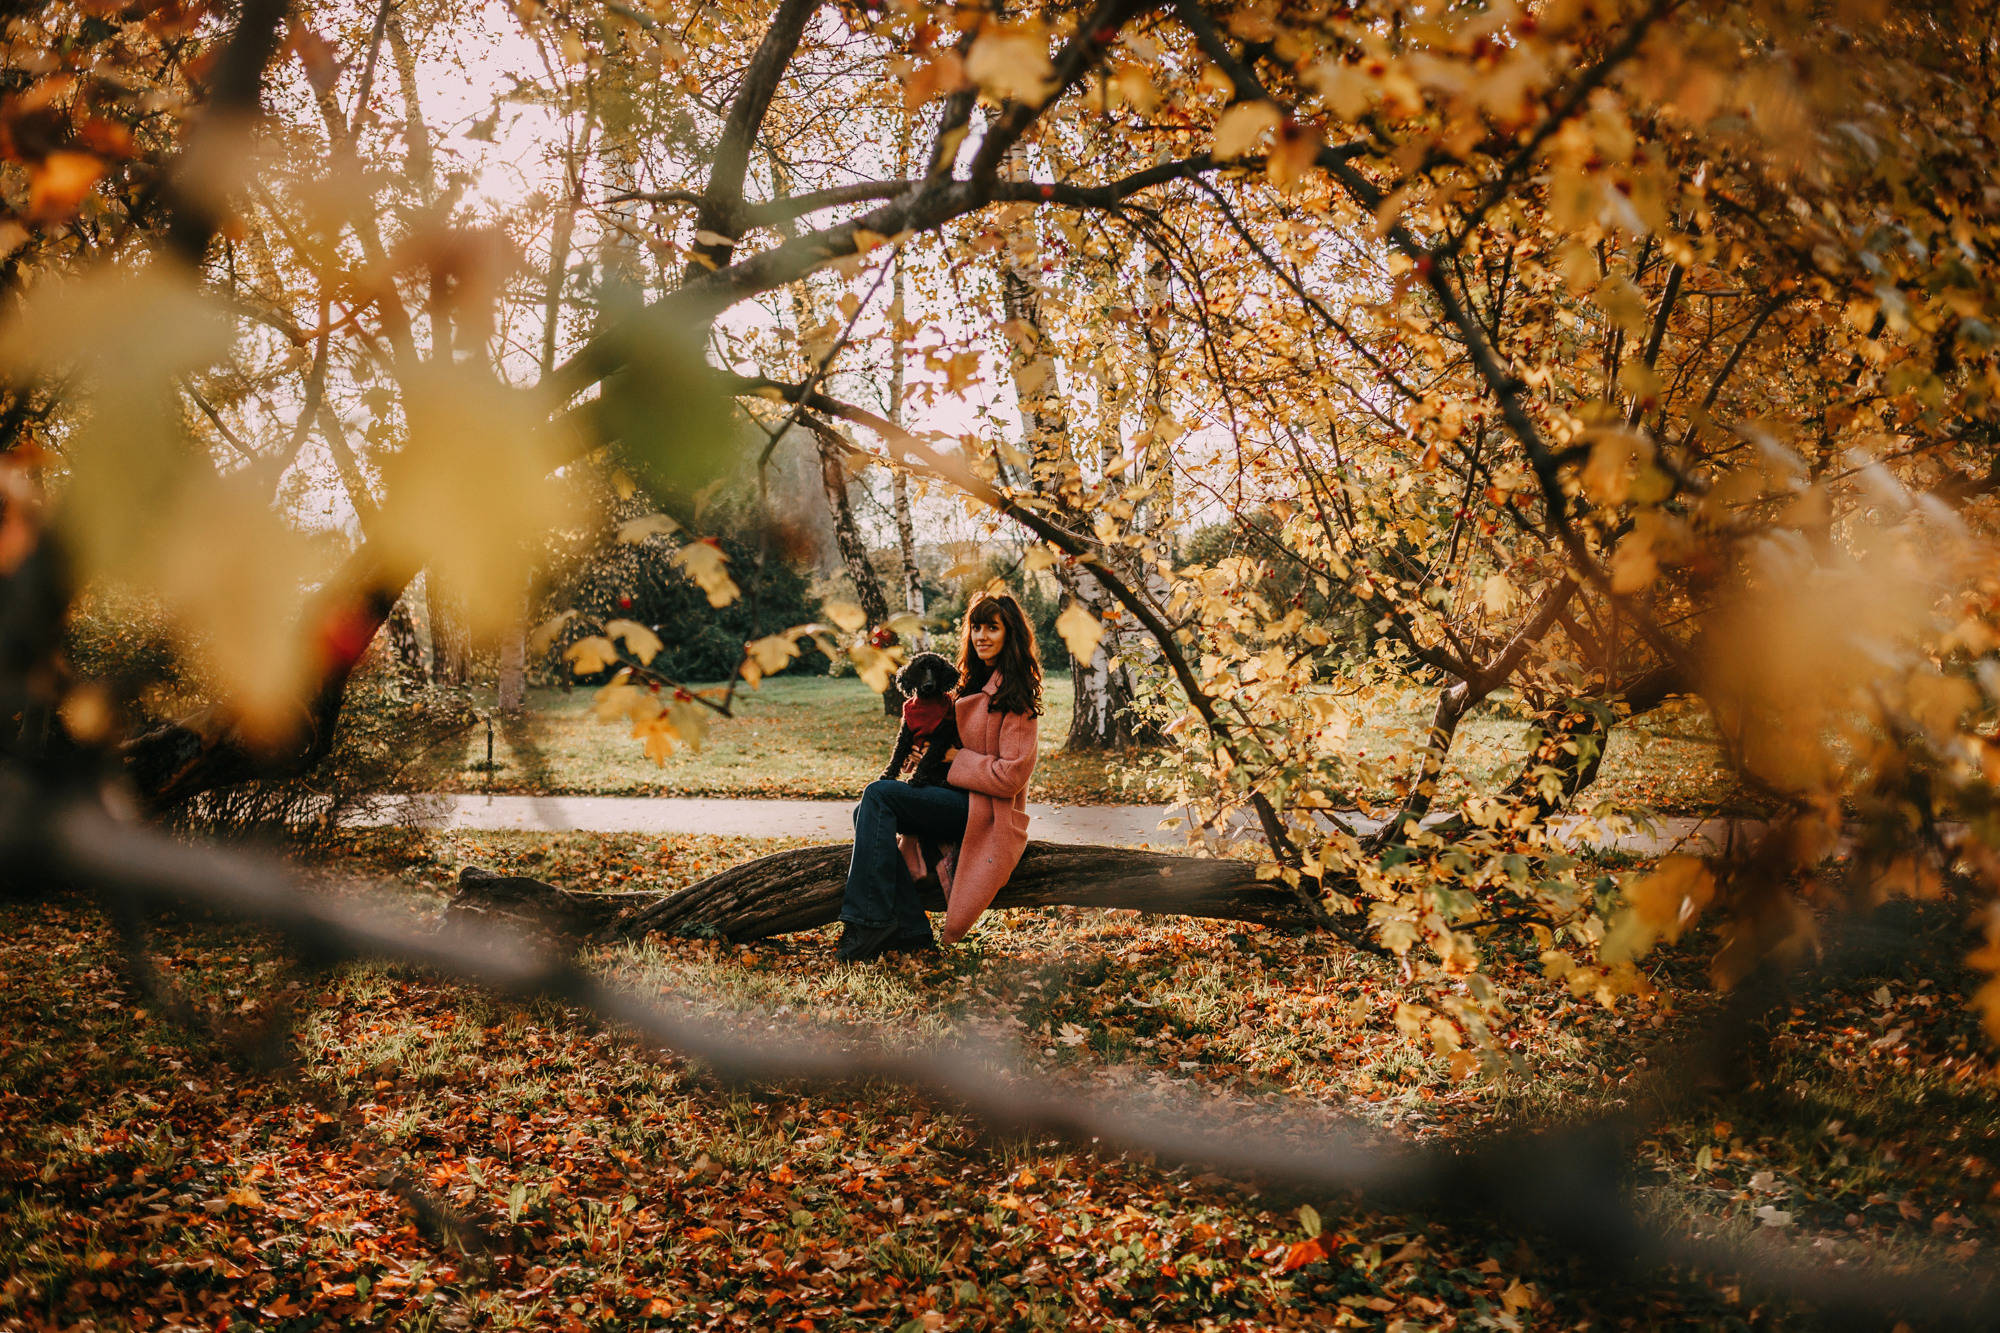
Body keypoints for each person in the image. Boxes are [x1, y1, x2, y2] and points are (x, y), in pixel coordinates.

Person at [835, 590, 1043, 962]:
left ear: (1009, 635)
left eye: (992, 628)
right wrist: (926, 757)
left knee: (878, 795)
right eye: (976, 627)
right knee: (865, 810)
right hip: (952, 798)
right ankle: (913, 929)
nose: (981, 636)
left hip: (985, 812)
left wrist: (956, 759)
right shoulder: (969, 686)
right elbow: (945, 746)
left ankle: (867, 920)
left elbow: (1011, 777)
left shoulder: (1016, 698)